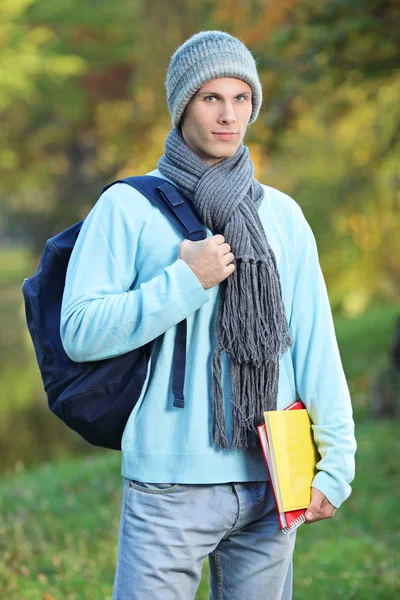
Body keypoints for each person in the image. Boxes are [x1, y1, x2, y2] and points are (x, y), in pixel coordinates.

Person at [60, 31, 356, 600]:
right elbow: (79, 331)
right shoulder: (128, 207)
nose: (228, 115)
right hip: (170, 486)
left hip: (272, 479)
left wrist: (336, 461)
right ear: (182, 106)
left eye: (241, 98)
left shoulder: (283, 217)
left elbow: (316, 345)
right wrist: (184, 282)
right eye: (210, 98)